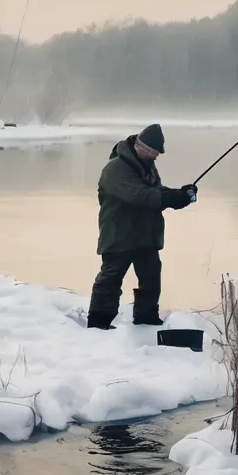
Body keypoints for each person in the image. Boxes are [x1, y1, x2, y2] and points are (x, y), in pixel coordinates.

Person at [86, 123, 197, 329]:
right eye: (153, 152)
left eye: (157, 154)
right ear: (140, 146)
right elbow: (140, 195)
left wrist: (180, 194)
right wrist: (170, 198)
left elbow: (155, 190)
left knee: (151, 277)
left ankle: (147, 320)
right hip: (119, 235)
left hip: (145, 235)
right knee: (111, 278)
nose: (155, 157)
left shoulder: (146, 165)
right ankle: (98, 322)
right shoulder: (115, 169)